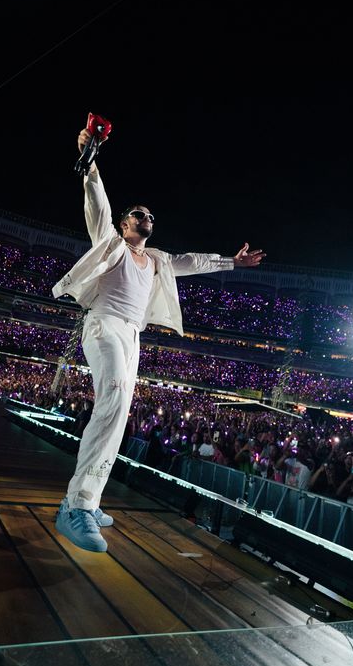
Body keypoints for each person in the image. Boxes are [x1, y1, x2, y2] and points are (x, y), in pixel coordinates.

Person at [51, 126, 266, 553]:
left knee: (118, 412)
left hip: (132, 336)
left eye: (150, 214)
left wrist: (233, 263)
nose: (146, 216)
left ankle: (87, 499)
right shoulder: (111, 244)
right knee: (112, 399)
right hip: (104, 324)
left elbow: (192, 260)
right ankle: (76, 505)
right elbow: (98, 205)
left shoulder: (158, 260)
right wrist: (90, 162)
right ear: (125, 224)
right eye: (138, 213)